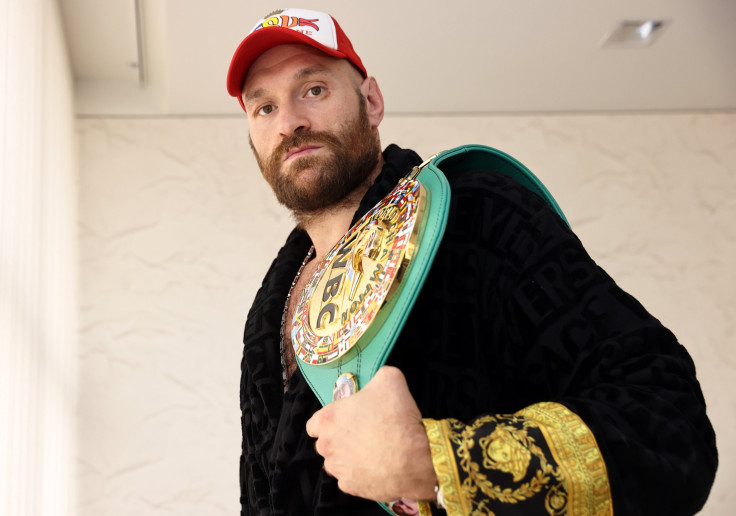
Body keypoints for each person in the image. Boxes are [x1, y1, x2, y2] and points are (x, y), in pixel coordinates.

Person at [227, 8, 718, 516]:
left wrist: (437, 462)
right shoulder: (272, 305)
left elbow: (668, 420)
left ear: (371, 101)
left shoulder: (476, 212)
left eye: (313, 90)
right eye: (263, 108)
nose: (290, 122)